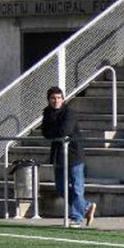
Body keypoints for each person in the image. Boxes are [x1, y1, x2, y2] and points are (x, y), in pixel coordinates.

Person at [42, 86, 96, 228]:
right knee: (61, 188)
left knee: (77, 187)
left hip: (74, 154)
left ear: (63, 99)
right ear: (48, 100)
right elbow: (45, 133)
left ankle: (76, 217)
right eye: (53, 98)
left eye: (59, 98)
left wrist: (55, 131)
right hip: (59, 154)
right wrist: (55, 132)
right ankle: (86, 207)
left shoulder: (69, 113)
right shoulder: (47, 113)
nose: (56, 101)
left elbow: (65, 130)